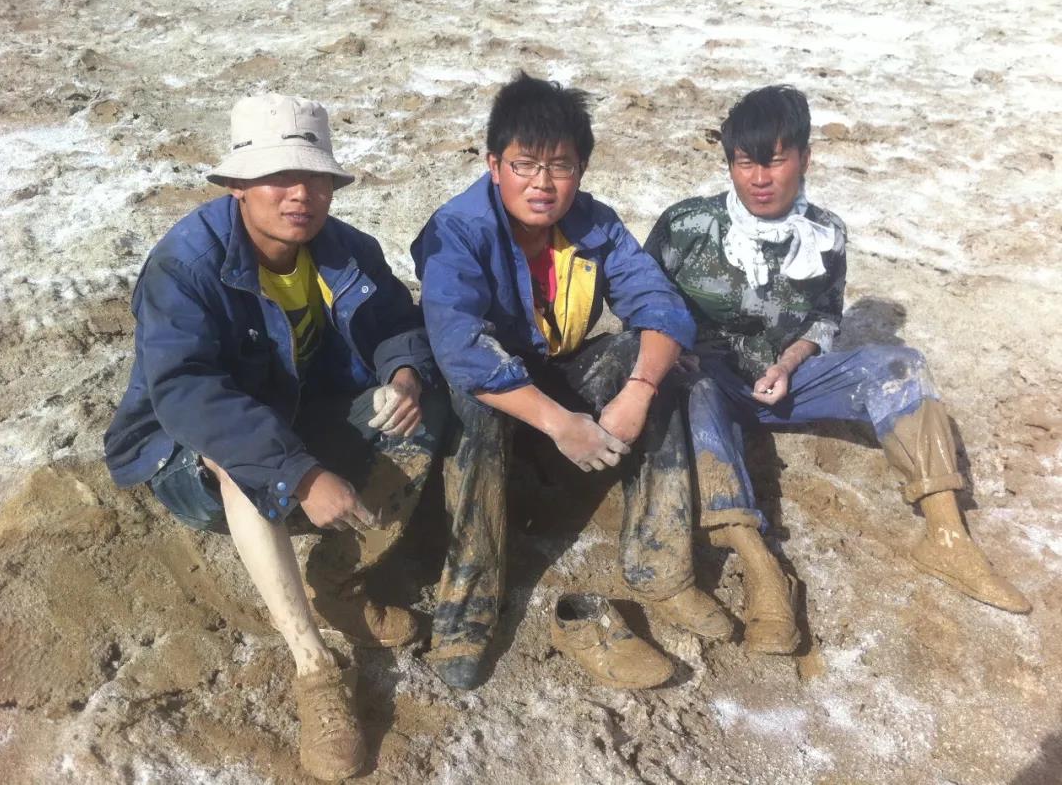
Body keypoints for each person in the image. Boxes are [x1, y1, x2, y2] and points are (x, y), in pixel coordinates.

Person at [104, 93, 447, 781]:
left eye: (316, 178)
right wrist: (303, 473)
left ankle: (340, 582)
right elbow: (188, 392)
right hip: (187, 450)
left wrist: (404, 374)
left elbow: (394, 324)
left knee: (426, 410)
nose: (302, 195)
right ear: (238, 184)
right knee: (238, 458)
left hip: (296, 409)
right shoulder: (185, 265)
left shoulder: (346, 249)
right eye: (279, 177)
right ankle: (313, 667)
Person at [643, 85, 1030, 649]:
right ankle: (760, 567)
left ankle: (947, 537)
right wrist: (679, 352)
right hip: (707, 384)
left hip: (788, 383)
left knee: (900, 365)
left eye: (775, 160)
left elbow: (825, 318)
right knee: (696, 391)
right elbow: (645, 302)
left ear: (804, 158)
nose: (759, 178)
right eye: (745, 163)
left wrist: (789, 362)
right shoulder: (686, 225)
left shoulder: (825, 235)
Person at [410, 72, 732, 691]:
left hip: (558, 373)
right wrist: (561, 424)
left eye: (560, 166)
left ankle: (660, 567)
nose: (542, 183)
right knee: (474, 400)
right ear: (494, 165)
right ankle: (469, 604)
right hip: (488, 397)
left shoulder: (594, 224)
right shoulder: (458, 230)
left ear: (581, 169)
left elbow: (661, 307)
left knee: (648, 358)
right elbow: (462, 351)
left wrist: (638, 391)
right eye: (525, 165)